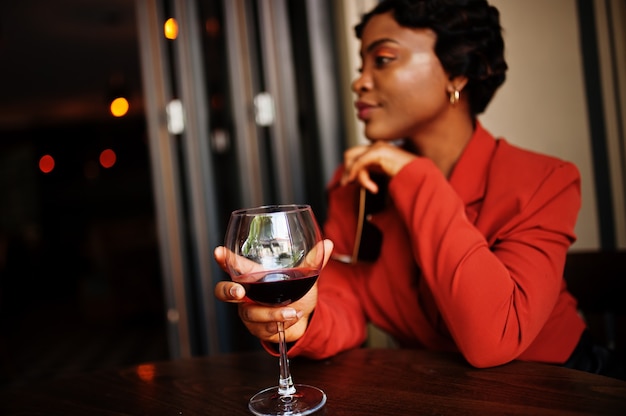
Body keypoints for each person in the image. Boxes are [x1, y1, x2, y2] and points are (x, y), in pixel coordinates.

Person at [214, 0, 625, 379]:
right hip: (439, 392)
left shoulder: (543, 180)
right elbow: (344, 303)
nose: (359, 82)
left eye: (383, 60)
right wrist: (300, 320)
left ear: (457, 73)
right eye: (361, 65)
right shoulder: (358, 183)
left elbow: (495, 338)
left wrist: (416, 178)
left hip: (564, 386)